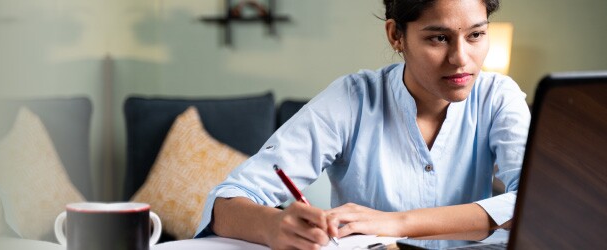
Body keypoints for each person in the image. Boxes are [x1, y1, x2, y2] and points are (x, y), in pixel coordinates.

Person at [195, 0, 530, 249]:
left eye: (476, 35)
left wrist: (397, 224)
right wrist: (274, 225)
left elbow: (532, 205)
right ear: (396, 35)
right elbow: (227, 201)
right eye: (438, 38)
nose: (460, 58)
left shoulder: (499, 96)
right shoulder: (351, 99)